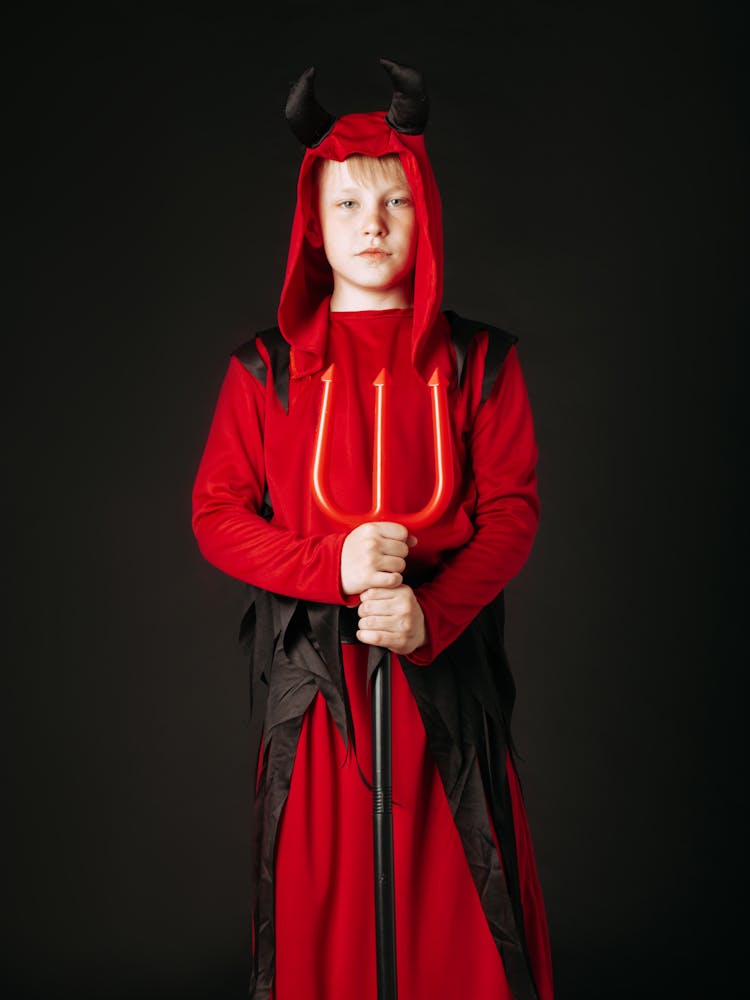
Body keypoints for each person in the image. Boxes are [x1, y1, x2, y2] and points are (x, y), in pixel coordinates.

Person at [191, 59, 554, 1000]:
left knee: (460, 899)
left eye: (393, 201)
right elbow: (217, 515)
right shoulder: (261, 372)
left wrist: (434, 614)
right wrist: (328, 564)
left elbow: (512, 511)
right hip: (318, 685)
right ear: (312, 223)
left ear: (423, 211)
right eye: (348, 205)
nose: (372, 225)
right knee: (326, 904)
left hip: (444, 667)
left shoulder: (481, 362)